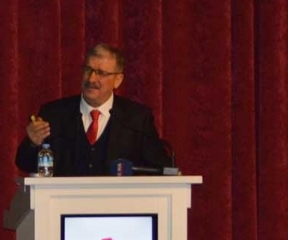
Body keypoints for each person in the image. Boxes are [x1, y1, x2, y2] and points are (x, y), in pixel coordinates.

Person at [15, 43, 173, 176]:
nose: (91, 79)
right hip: (63, 202)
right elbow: (25, 164)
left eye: (101, 73)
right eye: (88, 70)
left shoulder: (137, 118)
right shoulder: (54, 113)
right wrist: (32, 143)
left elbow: (162, 169)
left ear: (118, 80)